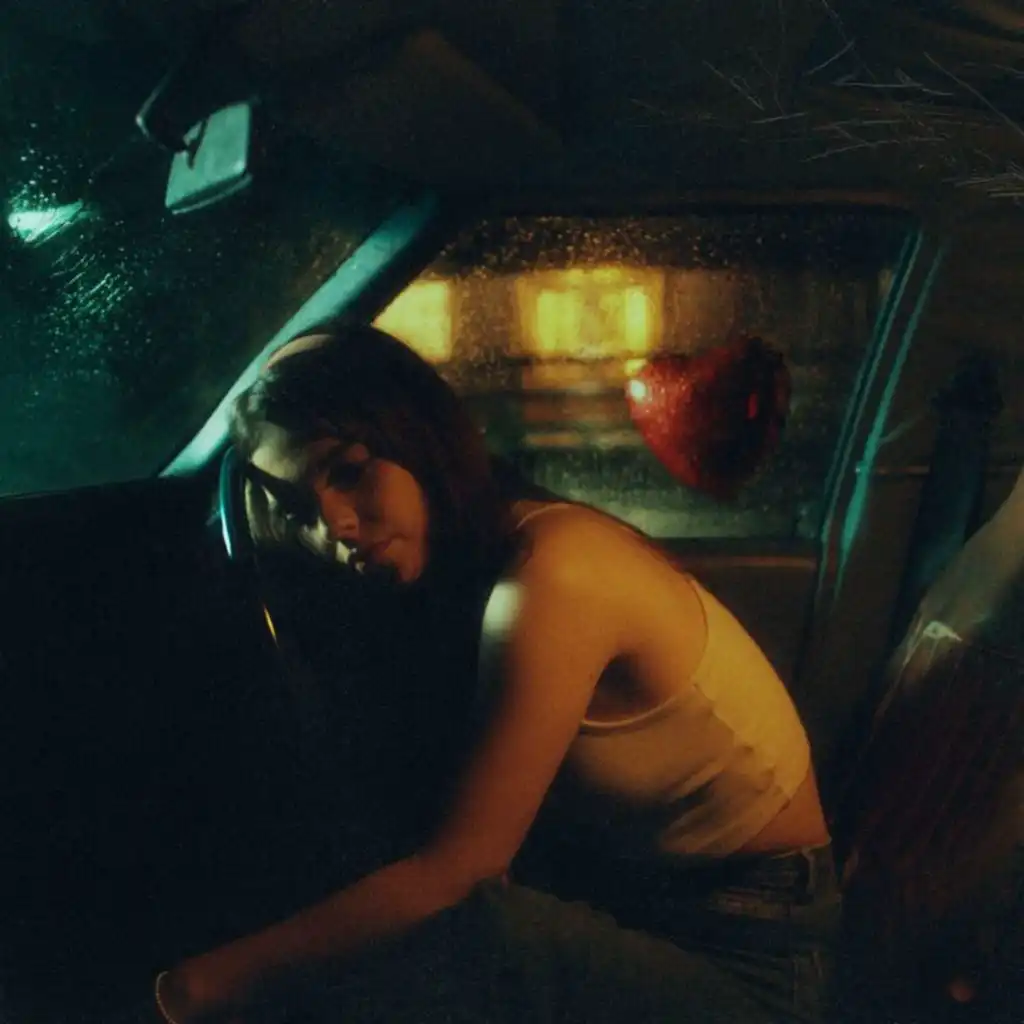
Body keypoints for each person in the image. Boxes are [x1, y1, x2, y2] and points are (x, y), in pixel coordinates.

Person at [153, 322, 842, 1024]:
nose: (335, 525)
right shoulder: (460, 571)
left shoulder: (556, 573)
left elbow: (461, 871)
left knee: (471, 929)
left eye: (350, 471)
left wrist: (196, 987)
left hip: (753, 957)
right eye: (300, 510)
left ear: (416, 438)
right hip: (640, 910)